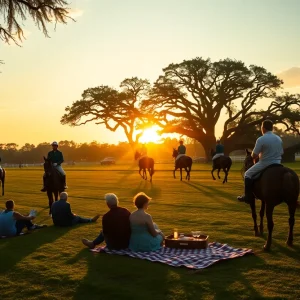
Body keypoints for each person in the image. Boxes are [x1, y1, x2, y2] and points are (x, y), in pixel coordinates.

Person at [237, 120, 283, 204]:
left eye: (261, 128)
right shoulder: (278, 138)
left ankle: (247, 196)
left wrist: (253, 155)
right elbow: (281, 152)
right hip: (278, 163)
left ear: (263, 128)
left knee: (247, 174)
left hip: (265, 163)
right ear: (272, 128)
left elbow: (254, 155)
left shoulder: (261, 139)